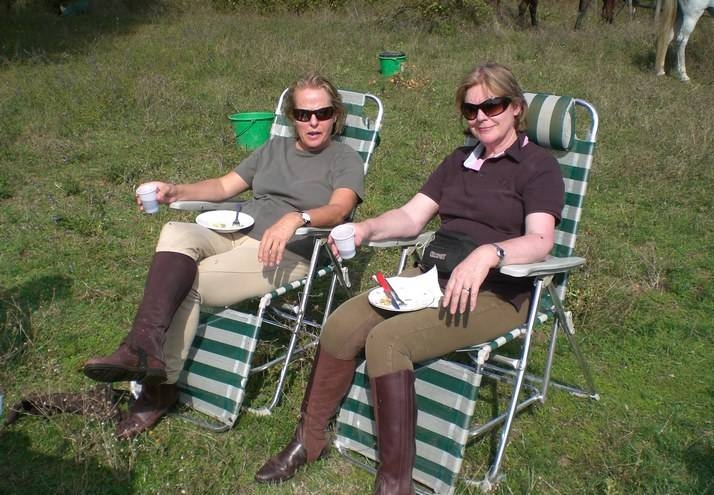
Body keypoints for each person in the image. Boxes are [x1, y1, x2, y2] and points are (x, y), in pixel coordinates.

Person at [254, 62, 565, 494]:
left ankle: (395, 481)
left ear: (515, 107)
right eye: (470, 109)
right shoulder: (459, 160)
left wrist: (488, 255)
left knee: (389, 340)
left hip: (497, 292)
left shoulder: (538, 166)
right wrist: (365, 229)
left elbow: (540, 240)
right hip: (433, 277)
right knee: (342, 323)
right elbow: (411, 216)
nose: (481, 116)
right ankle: (309, 440)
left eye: (492, 104)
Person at [82, 73, 365, 440]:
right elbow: (223, 186)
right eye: (303, 114)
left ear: (335, 115)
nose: (313, 122)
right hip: (238, 230)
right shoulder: (273, 149)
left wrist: (297, 218)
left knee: (191, 281)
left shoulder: (344, 158)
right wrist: (174, 191)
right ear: (291, 116)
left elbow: (340, 209)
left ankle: (158, 387)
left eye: (323, 113)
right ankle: (141, 349)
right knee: (175, 232)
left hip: (289, 251)